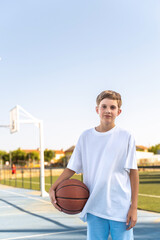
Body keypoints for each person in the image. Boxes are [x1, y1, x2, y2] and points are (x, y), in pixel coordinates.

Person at [49, 90, 139, 240]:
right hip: (94, 207)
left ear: (119, 111)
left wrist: (134, 207)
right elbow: (72, 168)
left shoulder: (126, 136)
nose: (108, 111)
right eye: (104, 106)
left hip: (120, 208)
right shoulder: (85, 137)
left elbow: (133, 173)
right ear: (97, 109)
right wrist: (53, 187)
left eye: (112, 107)